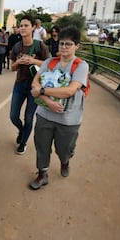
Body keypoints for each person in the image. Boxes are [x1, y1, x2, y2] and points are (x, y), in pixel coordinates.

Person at [29, 26, 89, 190]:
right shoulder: (49, 63)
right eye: (62, 43)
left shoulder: (81, 66)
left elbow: (69, 91)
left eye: (68, 44)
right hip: (44, 115)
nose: (64, 47)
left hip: (68, 118)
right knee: (41, 146)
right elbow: (35, 83)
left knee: (64, 149)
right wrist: (47, 101)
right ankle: (42, 174)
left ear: (77, 46)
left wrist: (41, 91)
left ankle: (65, 160)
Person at [9, 15, 49, 154]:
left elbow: (48, 65)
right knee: (13, 116)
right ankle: (21, 130)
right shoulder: (17, 47)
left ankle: (24, 142)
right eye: (21, 26)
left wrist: (34, 61)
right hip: (19, 85)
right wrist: (18, 62)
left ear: (33, 27)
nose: (23, 28)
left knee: (28, 117)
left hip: (34, 86)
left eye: (26, 25)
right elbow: (12, 67)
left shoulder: (40, 46)